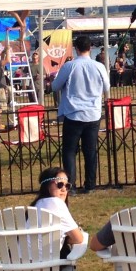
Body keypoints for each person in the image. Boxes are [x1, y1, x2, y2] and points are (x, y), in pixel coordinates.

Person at [51, 35, 110, 194]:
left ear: (76, 48)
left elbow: (55, 86)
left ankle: (71, 185)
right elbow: (107, 86)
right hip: (93, 114)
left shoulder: (69, 66)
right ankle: (90, 184)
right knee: (90, 151)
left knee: (70, 151)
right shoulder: (99, 66)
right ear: (90, 47)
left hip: (73, 113)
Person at [32, 167, 84, 257]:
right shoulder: (57, 203)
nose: (64, 189)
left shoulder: (37, 204)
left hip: (17, 267)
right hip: (45, 267)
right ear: (47, 185)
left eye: (67, 186)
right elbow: (78, 239)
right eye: (59, 185)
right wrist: (67, 239)